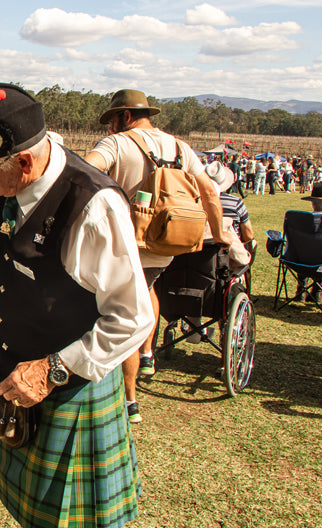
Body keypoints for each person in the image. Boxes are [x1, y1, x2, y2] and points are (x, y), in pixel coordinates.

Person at [0, 83, 153, 528]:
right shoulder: (6, 184)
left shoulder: (93, 206)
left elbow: (133, 317)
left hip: (70, 387)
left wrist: (52, 369)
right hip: (19, 375)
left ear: (24, 161)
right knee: (32, 511)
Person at [84, 88, 227, 424]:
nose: (110, 127)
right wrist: (219, 234)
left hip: (123, 247)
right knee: (145, 292)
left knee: (117, 319)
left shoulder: (116, 144)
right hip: (165, 249)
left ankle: (129, 400)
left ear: (125, 116)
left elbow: (85, 172)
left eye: (112, 120)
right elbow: (209, 190)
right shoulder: (180, 147)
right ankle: (147, 352)